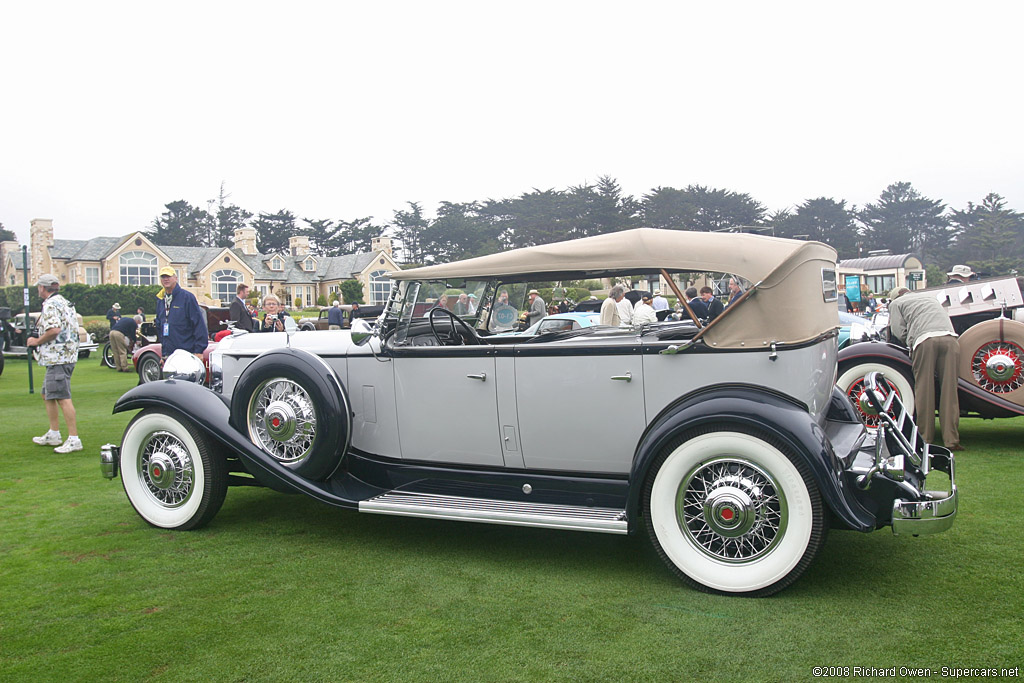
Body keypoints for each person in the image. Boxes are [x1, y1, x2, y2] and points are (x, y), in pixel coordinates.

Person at [887, 286, 962, 451]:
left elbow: (898, 331)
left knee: (924, 389)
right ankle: (951, 440)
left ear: (894, 297)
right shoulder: (929, 298)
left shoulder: (896, 303)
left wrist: (910, 341)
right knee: (949, 390)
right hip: (950, 338)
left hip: (925, 340)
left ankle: (925, 438)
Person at [27, 274, 82, 453]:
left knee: (62, 397)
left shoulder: (50, 304)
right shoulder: (65, 302)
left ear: (43, 288)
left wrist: (36, 341)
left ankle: (74, 439)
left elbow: (54, 330)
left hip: (59, 357)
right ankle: (54, 433)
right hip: (64, 355)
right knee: (47, 394)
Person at [155, 266, 208, 357]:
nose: (166, 279)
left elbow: (198, 324)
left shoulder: (187, 298)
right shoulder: (160, 300)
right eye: (163, 277)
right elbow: (160, 327)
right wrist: (163, 354)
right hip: (168, 353)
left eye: (168, 276)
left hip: (186, 352)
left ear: (175, 278)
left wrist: (199, 350)